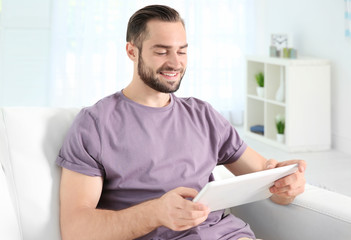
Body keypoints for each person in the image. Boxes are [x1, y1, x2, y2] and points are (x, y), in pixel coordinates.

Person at [56, 4, 306, 240]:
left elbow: (269, 182)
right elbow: (76, 229)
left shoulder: (203, 115)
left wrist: (288, 185)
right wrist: (155, 212)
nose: (175, 63)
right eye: (162, 51)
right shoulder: (95, 124)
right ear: (132, 51)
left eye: (182, 51)